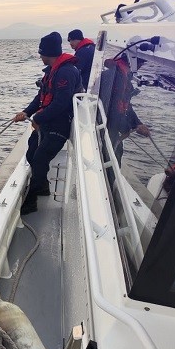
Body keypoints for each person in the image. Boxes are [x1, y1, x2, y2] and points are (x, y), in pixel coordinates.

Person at [12, 31, 83, 215]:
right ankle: (42, 186)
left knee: (40, 158)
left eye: (41, 52)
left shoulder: (66, 72)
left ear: (48, 53)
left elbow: (61, 103)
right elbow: (40, 97)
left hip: (60, 124)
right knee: (31, 152)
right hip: (47, 122)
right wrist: (27, 112)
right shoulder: (52, 71)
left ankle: (31, 200)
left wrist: (37, 119)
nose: (39, 55)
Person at [98, 53, 150, 162]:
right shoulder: (117, 77)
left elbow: (124, 104)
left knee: (117, 150)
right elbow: (113, 107)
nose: (141, 66)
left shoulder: (118, 74)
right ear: (134, 62)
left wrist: (137, 123)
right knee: (113, 155)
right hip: (106, 126)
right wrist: (128, 127)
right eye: (141, 63)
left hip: (108, 125)